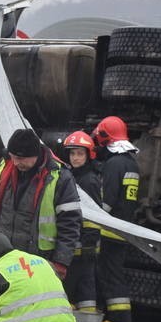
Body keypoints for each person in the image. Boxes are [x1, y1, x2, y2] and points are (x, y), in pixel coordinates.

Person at [0, 128, 82, 280]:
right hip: (2, 255)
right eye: (12, 157)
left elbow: (69, 224)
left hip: (36, 260)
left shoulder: (60, 177)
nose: (15, 163)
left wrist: (60, 262)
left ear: (35, 155)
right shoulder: (3, 166)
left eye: (20, 159)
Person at [91, 116, 139, 322]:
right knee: (114, 268)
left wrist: (95, 218)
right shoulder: (131, 163)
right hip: (125, 225)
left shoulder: (113, 164)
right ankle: (117, 315)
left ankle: (118, 318)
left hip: (110, 227)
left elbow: (107, 199)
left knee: (109, 270)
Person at [62, 131, 101, 312]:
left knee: (77, 285)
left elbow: (94, 215)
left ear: (88, 155)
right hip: (75, 243)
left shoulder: (89, 180)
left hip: (82, 244)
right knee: (84, 287)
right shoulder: (74, 176)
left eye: (80, 154)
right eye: (72, 153)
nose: (75, 158)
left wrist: (89, 243)